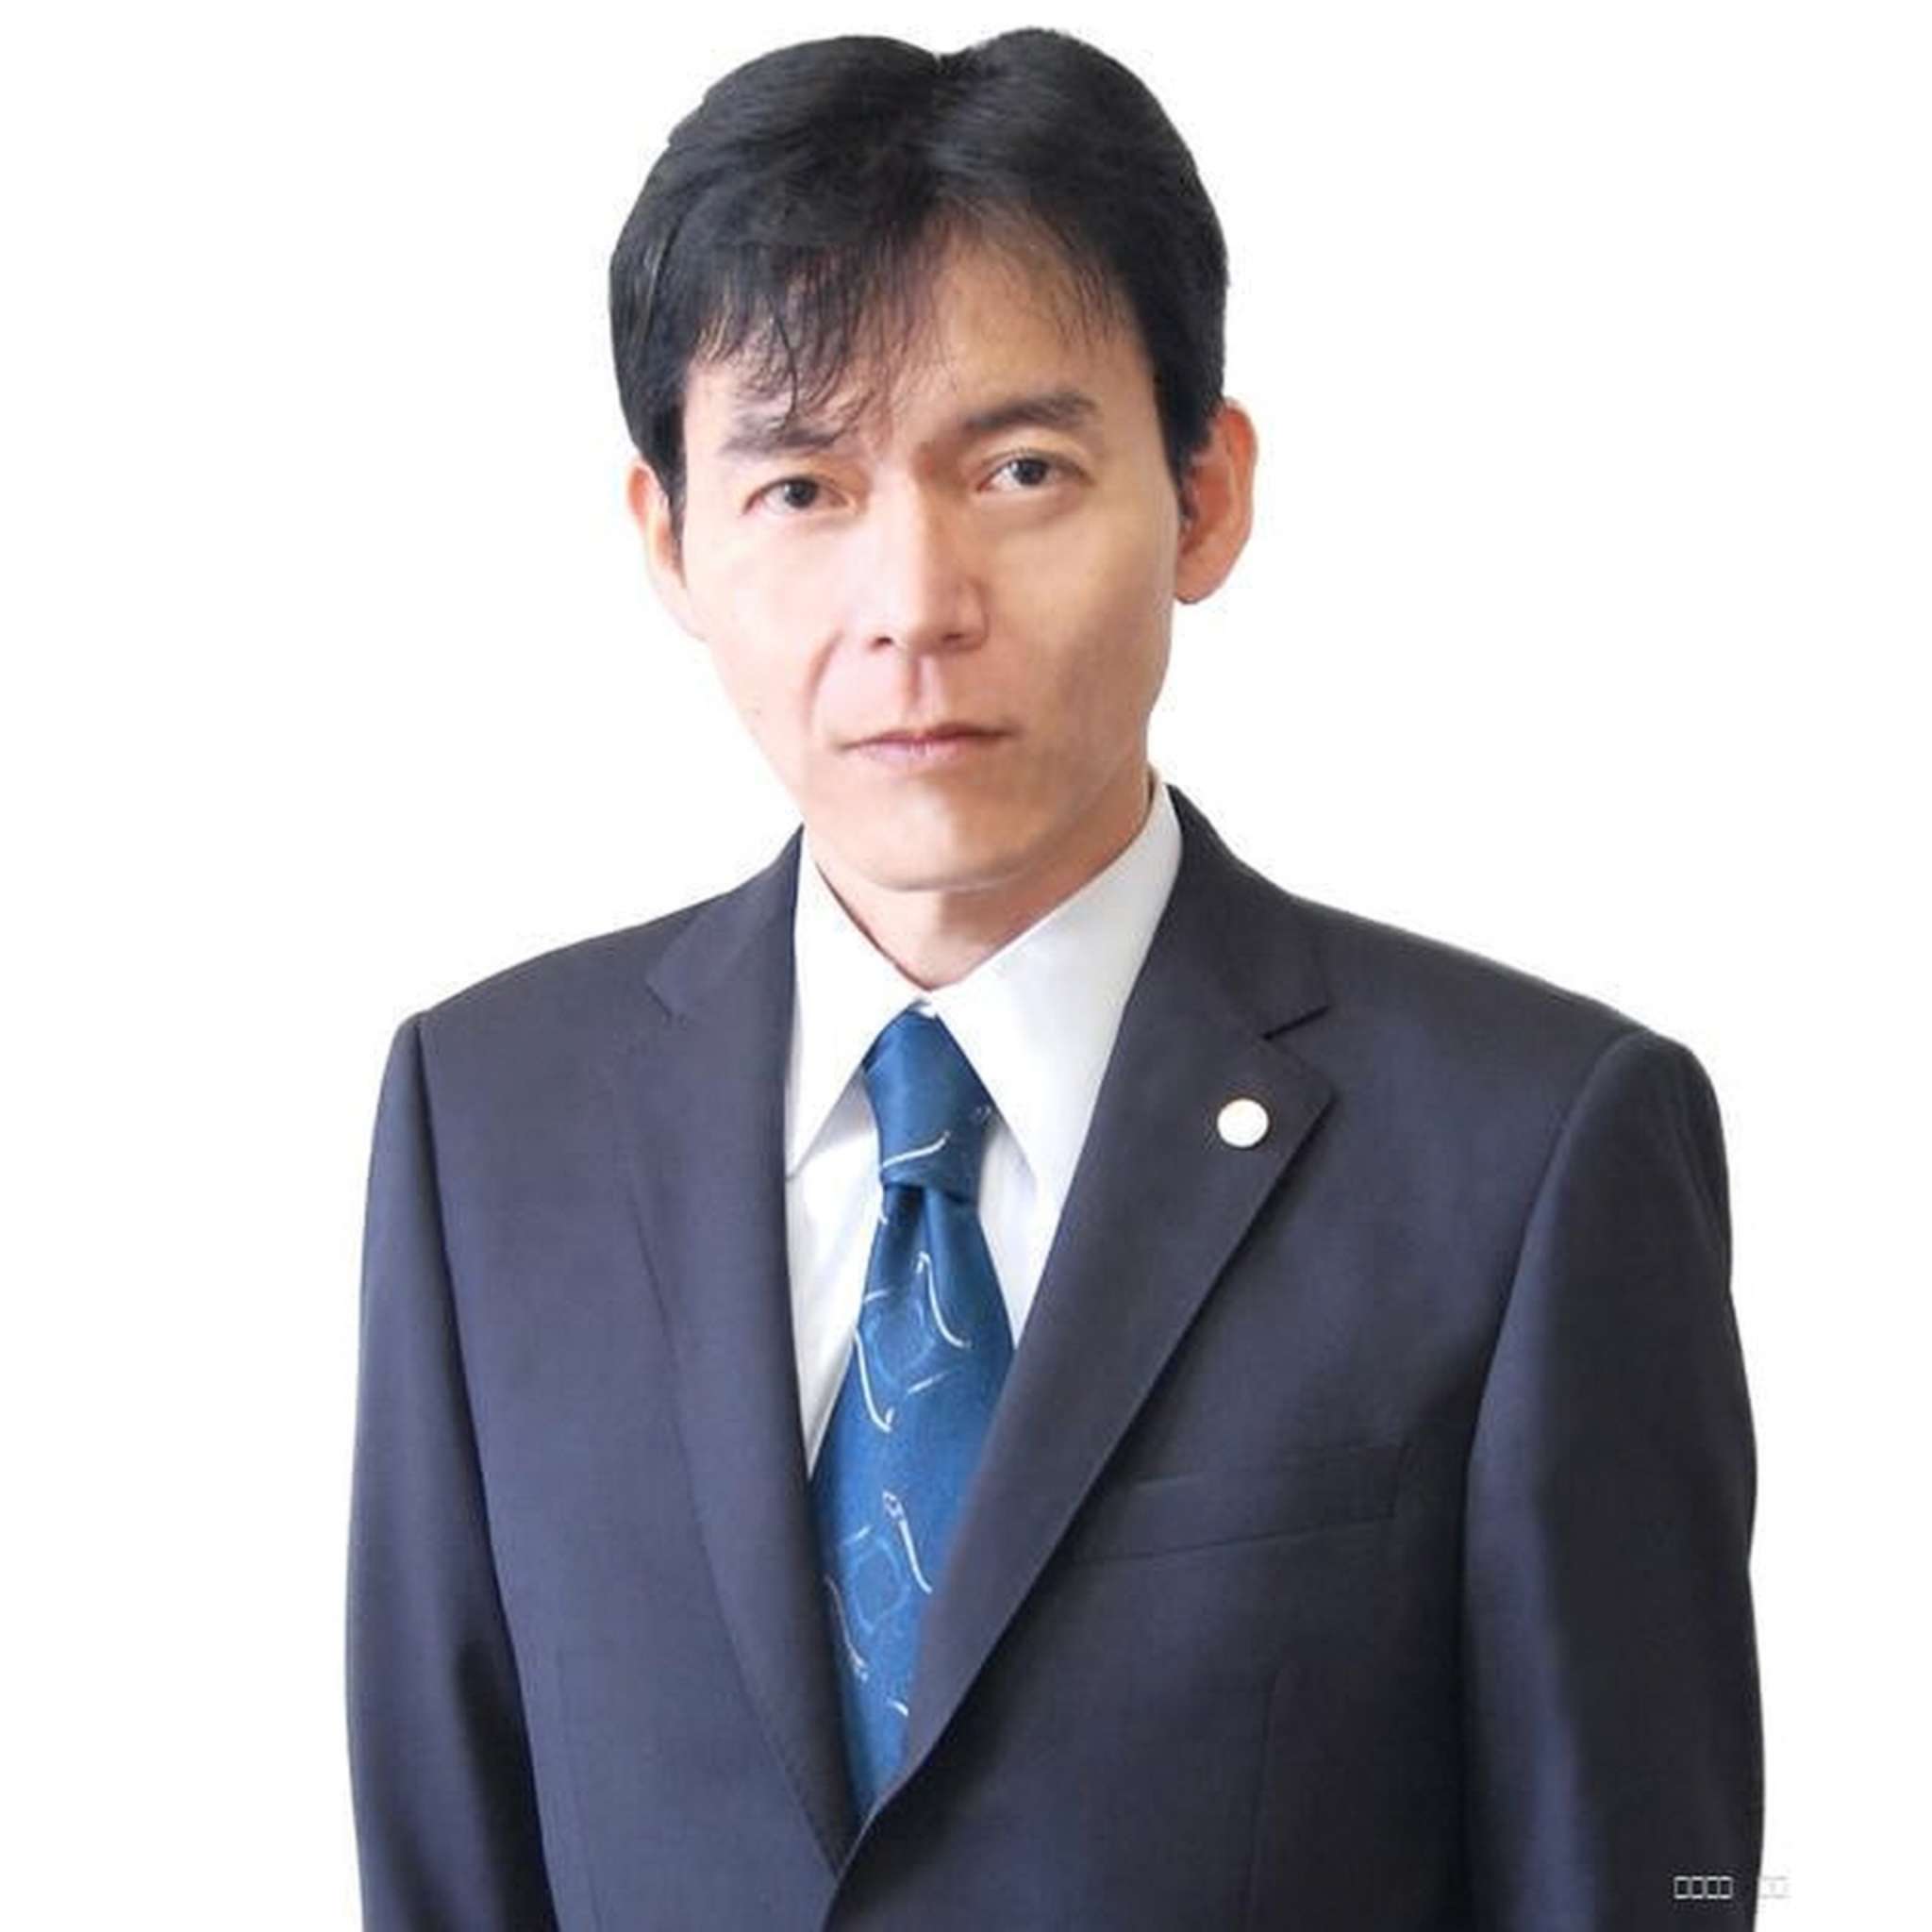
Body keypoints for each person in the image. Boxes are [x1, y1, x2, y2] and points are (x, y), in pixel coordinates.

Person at [345, 27, 1762, 1930]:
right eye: (801, 488)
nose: (913, 606)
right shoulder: (487, 1124)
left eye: (1018, 469)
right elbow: (447, 1861)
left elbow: (1642, 1883)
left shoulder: (1526, 1155)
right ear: (668, 540)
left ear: (1203, 495)